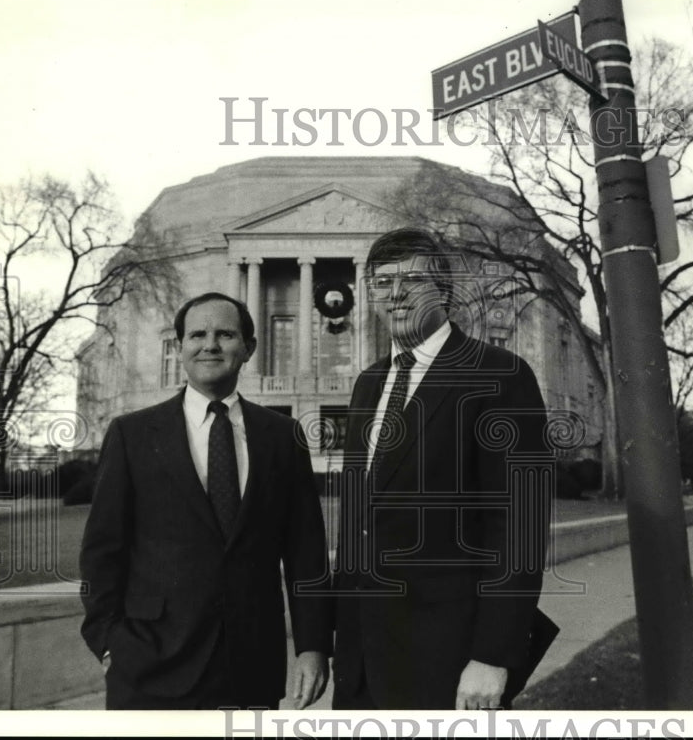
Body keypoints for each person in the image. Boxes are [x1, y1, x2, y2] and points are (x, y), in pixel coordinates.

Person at [332, 228, 551, 710]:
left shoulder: (499, 375)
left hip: (451, 664)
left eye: (413, 280)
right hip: (363, 665)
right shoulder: (368, 385)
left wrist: (493, 656)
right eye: (383, 283)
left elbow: (518, 527)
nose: (397, 294)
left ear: (446, 292)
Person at [79, 292, 331, 709]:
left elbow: (307, 554)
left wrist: (313, 646)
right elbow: (102, 550)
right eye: (197, 334)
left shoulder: (282, 437)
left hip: (250, 666)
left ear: (249, 348)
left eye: (225, 334)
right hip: (149, 665)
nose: (210, 344)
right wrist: (108, 642)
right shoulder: (133, 434)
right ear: (179, 348)